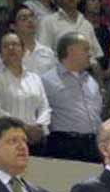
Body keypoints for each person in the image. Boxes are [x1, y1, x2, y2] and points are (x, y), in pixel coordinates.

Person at [0, 32, 51, 150]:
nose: (11, 48)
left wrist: (39, 126)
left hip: (35, 139)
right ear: (0, 54)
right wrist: (23, 128)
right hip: (5, 139)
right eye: (5, 46)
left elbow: (44, 107)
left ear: (23, 51)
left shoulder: (35, 78)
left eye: (15, 44)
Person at [41, 33, 103, 162]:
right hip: (64, 145)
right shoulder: (47, 81)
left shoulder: (91, 81)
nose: (90, 54)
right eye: (86, 49)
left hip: (93, 145)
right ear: (71, 50)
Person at [37, 0, 103, 62]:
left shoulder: (87, 24)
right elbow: (42, 54)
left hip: (88, 68)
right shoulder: (48, 22)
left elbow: (96, 54)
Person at [0, 5, 56, 76]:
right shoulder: (3, 54)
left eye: (32, 17)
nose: (30, 20)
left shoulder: (48, 52)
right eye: (24, 19)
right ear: (13, 26)